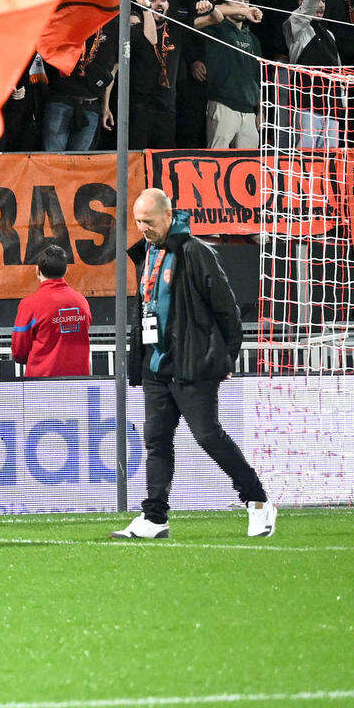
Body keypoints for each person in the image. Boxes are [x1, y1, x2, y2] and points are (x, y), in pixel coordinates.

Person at [113, 187, 275, 540]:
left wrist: (227, 355)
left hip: (192, 365)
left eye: (149, 221)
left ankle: (258, 501)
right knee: (156, 440)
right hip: (157, 367)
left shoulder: (195, 253)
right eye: (138, 221)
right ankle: (154, 517)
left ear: (169, 217)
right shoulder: (147, 253)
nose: (143, 228)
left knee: (208, 436)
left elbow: (227, 308)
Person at [10, 244, 92, 378]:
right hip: (79, 380)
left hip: (41, 383)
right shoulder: (81, 301)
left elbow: (19, 351)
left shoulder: (30, 304)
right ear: (66, 270)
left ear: (37, 270)